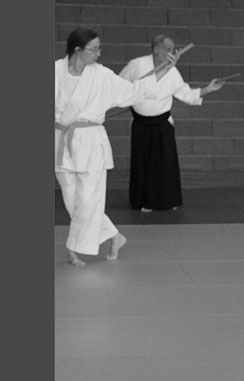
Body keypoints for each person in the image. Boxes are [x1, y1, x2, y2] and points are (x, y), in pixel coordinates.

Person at [54, 28, 179, 266]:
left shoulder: (101, 75)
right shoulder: (55, 71)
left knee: (89, 200)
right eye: (94, 49)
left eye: (99, 48)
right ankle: (114, 236)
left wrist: (165, 68)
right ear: (77, 50)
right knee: (72, 199)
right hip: (62, 140)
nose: (99, 53)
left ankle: (74, 248)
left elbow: (134, 90)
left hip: (91, 142)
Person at [119, 35, 225, 213]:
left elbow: (186, 94)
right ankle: (142, 201)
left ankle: (167, 201)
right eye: (168, 49)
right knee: (142, 164)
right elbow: (119, 86)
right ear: (156, 49)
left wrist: (208, 89)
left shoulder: (172, 71)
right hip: (141, 124)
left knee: (165, 164)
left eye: (173, 50)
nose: (172, 53)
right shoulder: (137, 65)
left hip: (162, 124)